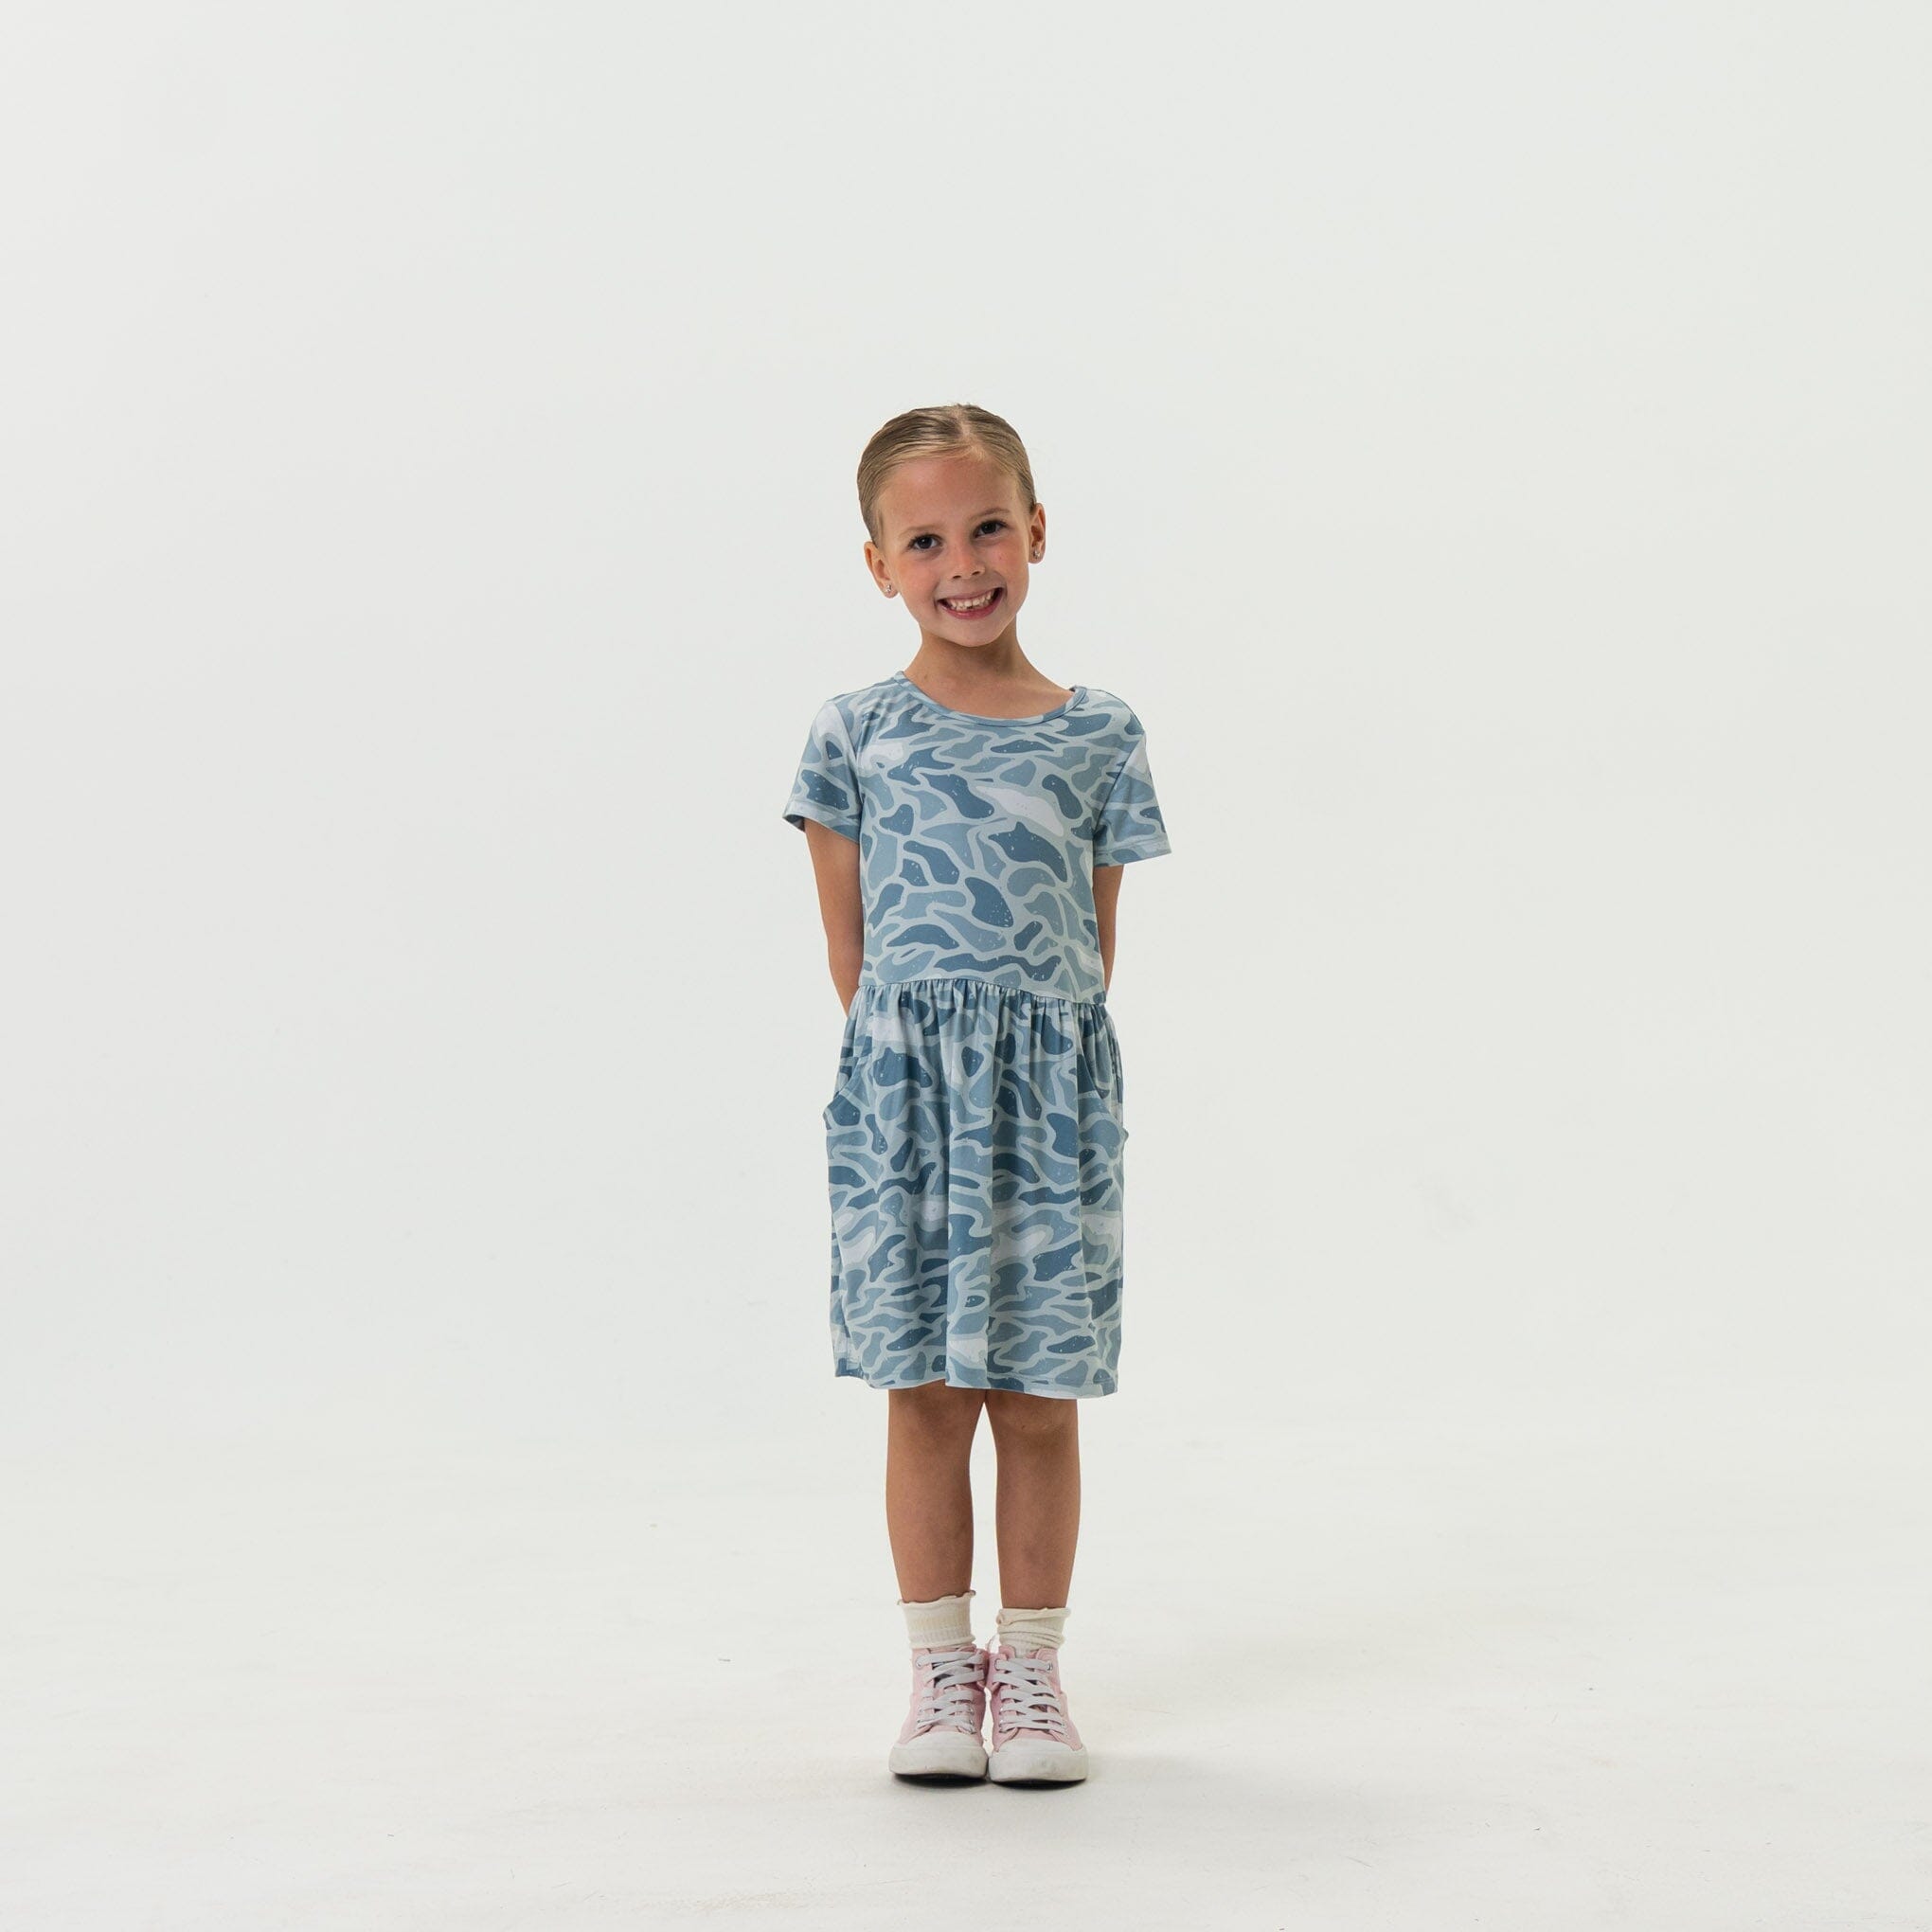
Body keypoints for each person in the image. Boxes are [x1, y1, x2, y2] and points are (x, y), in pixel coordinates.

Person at [781, 403, 1172, 1786]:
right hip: (905, 1108)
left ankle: (1038, 1676)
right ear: (879, 562)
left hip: (1050, 1111)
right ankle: (943, 1675)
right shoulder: (855, 733)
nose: (963, 564)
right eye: (926, 541)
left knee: (1040, 1398)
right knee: (930, 1394)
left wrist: (1029, 1076)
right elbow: (853, 954)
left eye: (989, 528)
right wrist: (914, 1084)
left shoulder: (1100, 733)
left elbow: (1091, 951)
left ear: (1037, 532)